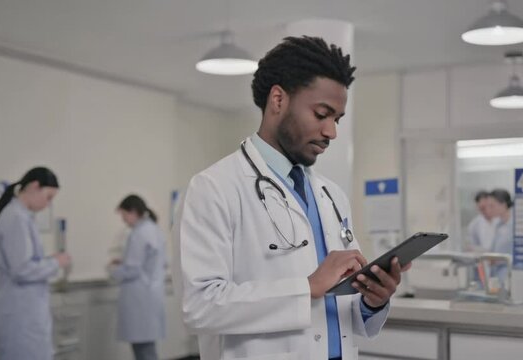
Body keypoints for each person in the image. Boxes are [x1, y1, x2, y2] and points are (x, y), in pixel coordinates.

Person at [175, 36, 410, 360]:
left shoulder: (332, 195)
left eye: (337, 119)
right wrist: (307, 286)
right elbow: (199, 307)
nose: (332, 132)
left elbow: (338, 313)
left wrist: (373, 299)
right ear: (278, 100)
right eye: (321, 114)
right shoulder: (214, 188)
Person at [0, 167, 72, 360]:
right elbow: (22, 270)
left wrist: (48, 261)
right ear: (34, 187)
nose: (48, 204)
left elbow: (26, 262)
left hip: (26, 314)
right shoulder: (15, 218)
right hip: (19, 316)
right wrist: (55, 263)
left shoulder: (22, 217)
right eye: (48, 197)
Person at [109, 195, 166, 360]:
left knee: (144, 351)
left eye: (124, 215)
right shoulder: (153, 229)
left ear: (133, 211)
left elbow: (132, 270)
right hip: (150, 297)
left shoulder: (139, 233)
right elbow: (146, 262)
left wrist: (113, 270)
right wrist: (125, 262)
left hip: (140, 300)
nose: (124, 220)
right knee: (146, 349)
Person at [486, 189, 514, 254]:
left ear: (503, 204)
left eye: (492, 206)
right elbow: (493, 250)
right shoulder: (499, 225)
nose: (489, 209)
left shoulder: (514, 225)